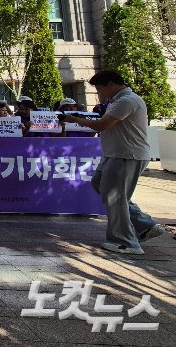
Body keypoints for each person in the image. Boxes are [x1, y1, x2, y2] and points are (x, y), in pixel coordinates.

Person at [62, 71, 166, 254]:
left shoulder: (127, 101)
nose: (100, 92)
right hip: (115, 154)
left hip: (127, 155)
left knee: (115, 198)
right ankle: (145, 225)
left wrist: (74, 119)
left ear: (111, 84)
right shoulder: (118, 101)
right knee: (101, 185)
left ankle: (125, 241)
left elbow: (102, 125)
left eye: (100, 88)